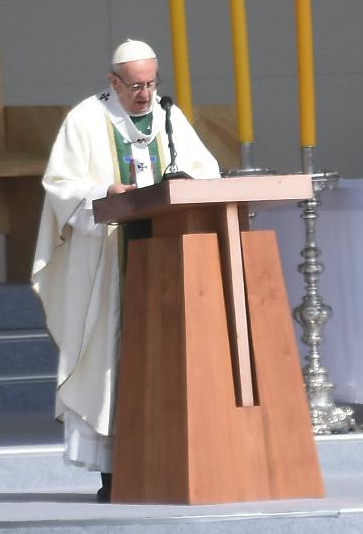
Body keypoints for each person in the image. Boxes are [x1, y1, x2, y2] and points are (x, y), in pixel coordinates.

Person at [31, 39, 221, 502]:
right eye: (136, 85)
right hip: (109, 260)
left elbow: (204, 172)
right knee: (110, 361)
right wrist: (105, 190)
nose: (145, 94)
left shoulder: (169, 118)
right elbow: (60, 185)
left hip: (166, 259)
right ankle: (115, 475)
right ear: (113, 81)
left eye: (152, 83)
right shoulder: (85, 120)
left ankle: (172, 463)